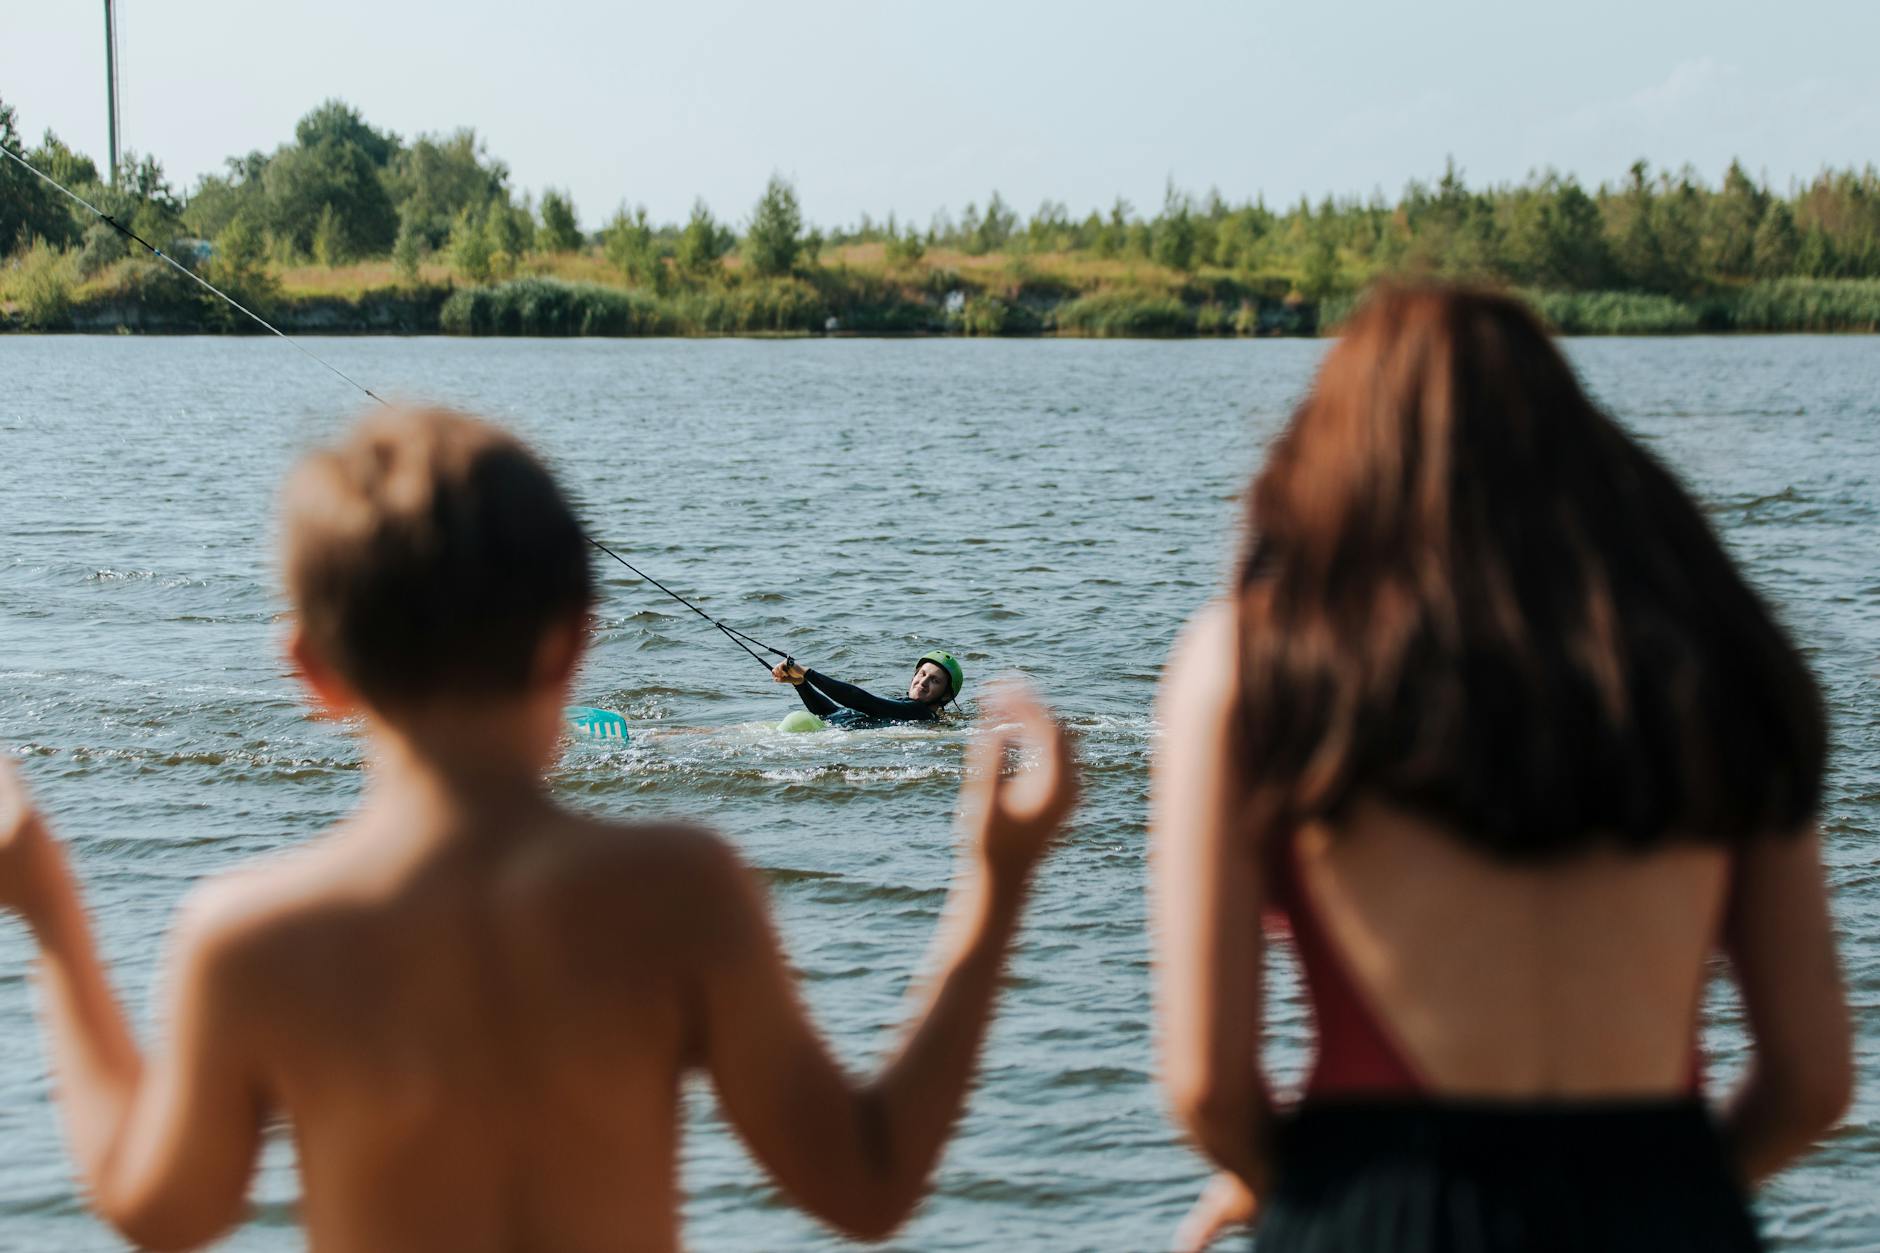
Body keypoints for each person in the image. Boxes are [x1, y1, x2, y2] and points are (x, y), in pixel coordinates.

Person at [0, 407, 1078, 1252]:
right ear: (574, 644)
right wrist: (995, 886)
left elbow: (158, 1209)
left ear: (312, 674)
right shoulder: (681, 893)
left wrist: (47, 902)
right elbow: (870, 1179)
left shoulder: (244, 938)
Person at [1149, 286, 1851, 1252]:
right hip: (1667, 1213)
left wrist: (1305, 1189)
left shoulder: (1247, 666)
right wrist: (1666, 1194)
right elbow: (1812, 1081)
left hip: (1380, 1212)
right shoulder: (1723, 656)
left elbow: (1209, 1089)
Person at [772, 650, 963, 727]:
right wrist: (800, 684)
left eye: (934, 681)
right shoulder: (900, 705)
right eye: (922, 674)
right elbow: (830, 713)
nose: (923, 682)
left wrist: (808, 673)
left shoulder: (920, 713)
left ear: (946, 695)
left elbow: (863, 701)